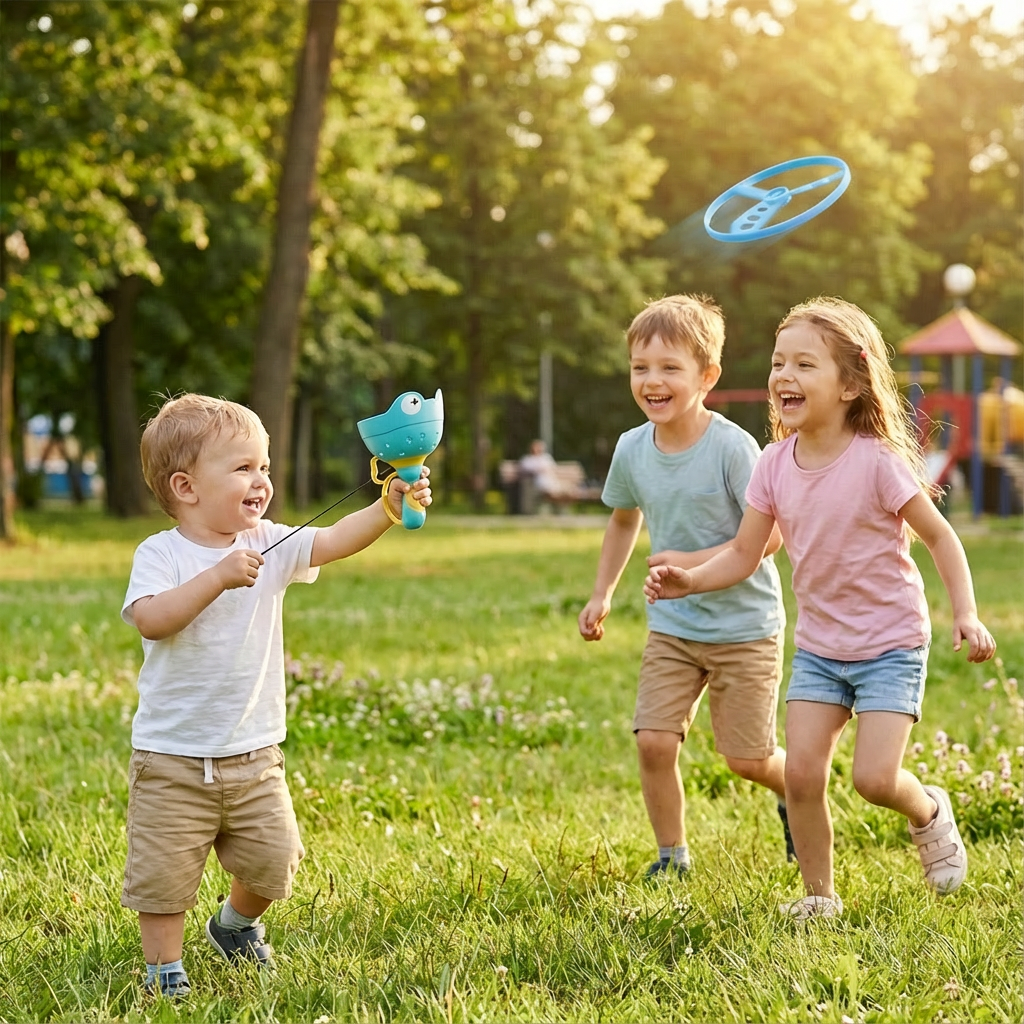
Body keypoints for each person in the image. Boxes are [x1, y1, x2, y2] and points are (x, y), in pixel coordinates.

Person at [644, 297, 996, 920]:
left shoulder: (879, 461)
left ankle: (929, 810)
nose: (785, 376)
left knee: (874, 781)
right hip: (820, 651)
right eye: (780, 362)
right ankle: (819, 896)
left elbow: (941, 537)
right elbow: (747, 553)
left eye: (805, 364)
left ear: (851, 383)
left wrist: (964, 612)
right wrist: (691, 580)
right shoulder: (773, 464)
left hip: (890, 645)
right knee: (802, 776)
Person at [120, 393, 430, 998]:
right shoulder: (162, 553)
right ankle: (164, 969)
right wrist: (217, 576)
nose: (261, 480)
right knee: (163, 876)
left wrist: (387, 507)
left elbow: (334, 540)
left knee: (275, 860)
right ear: (186, 487)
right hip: (173, 757)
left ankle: (234, 925)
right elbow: (152, 619)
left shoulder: (268, 539)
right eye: (242, 468)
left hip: (255, 751)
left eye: (264, 466)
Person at [578, 294, 792, 880]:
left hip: (744, 628)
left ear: (707, 376)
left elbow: (769, 539)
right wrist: (602, 594)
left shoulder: (732, 447)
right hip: (673, 627)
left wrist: (690, 566)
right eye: (640, 368)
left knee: (746, 759)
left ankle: (793, 789)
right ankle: (672, 856)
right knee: (652, 742)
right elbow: (624, 519)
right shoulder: (631, 449)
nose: (652, 381)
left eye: (670, 368)